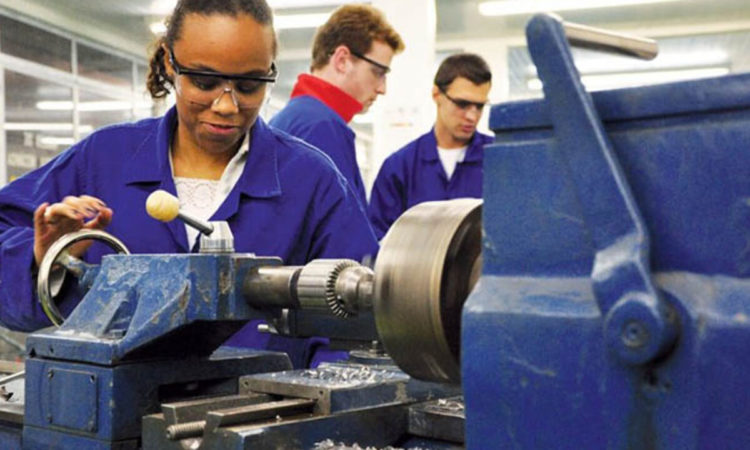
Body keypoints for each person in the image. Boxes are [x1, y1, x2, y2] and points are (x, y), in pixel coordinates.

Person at [0, 0, 378, 369]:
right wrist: (42, 259)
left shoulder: (311, 180)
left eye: (250, 85)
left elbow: (358, 328)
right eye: (204, 82)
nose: (227, 106)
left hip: (263, 419)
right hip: (118, 418)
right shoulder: (104, 159)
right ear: (170, 63)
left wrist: (309, 404)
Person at [269, 4, 404, 209]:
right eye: (378, 72)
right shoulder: (323, 127)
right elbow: (343, 232)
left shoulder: (292, 118)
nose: (382, 88)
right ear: (342, 60)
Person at [368, 53, 493, 240]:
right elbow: (379, 242)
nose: (472, 116)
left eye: (479, 106)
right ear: (436, 95)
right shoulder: (399, 169)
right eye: (462, 104)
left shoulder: (499, 161)